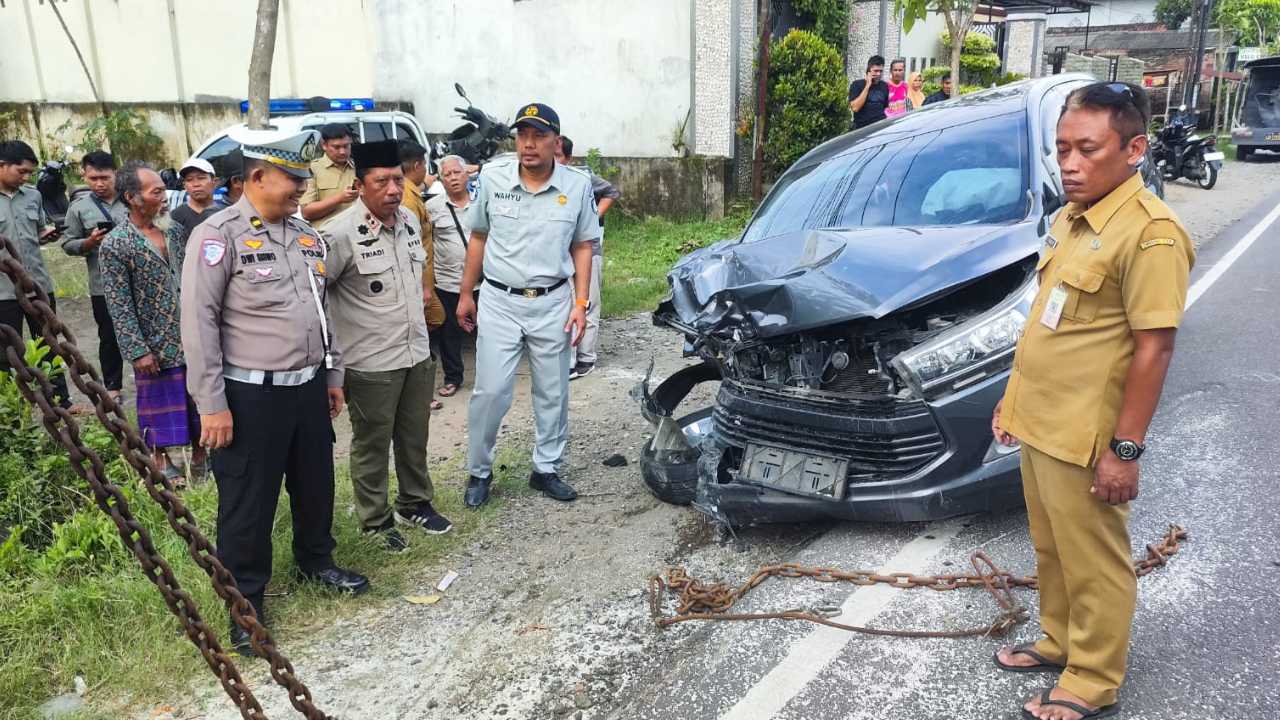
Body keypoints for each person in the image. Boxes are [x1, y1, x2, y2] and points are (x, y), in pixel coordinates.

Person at [991, 82, 1194, 720]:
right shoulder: (1070, 219)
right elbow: (1049, 326)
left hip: (1086, 434)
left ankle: (1093, 677)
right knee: (1051, 548)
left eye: (1087, 149)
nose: (1070, 165)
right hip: (1039, 420)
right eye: (1061, 150)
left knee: (1095, 559)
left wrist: (1125, 451)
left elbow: (1153, 349)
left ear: (1134, 148)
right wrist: (1010, 400)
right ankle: (1060, 640)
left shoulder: (1151, 234)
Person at [180, 127, 369, 657]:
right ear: (258, 177)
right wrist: (211, 404)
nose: (302, 191)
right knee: (247, 503)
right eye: (294, 180)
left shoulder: (305, 236)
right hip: (248, 396)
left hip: (307, 389)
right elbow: (199, 324)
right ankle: (246, 605)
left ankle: (316, 561)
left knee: (315, 485)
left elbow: (323, 312)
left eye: (306, 181)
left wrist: (333, 377)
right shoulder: (218, 236)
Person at [459, 103, 601, 508]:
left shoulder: (576, 186)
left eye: (539, 136)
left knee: (553, 391)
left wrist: (580, 302)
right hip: (501, 301)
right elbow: (479, 238)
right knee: (490, 391)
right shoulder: (493, 177)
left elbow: (582, 245)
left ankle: (546, 468)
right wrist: (467, 293)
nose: (529, 144)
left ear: (556, 142)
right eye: (523, 135)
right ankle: (479, 472)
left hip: (553, 301)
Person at [322, 140, 453, 551]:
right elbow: (316, 296)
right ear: (361, 185)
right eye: (382, 182)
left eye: (397, 179)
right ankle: (375, 521)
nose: (393, 189)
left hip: (415, 351)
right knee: (372, 443)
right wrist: (331, 362)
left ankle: (414, 503)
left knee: (414, 436)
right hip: (370, 360)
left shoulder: (410, 222)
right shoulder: (338, 234)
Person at [100, 162, 206, 486]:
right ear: (133, 197)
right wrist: (137, 349)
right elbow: (118, 304)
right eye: (156, 191)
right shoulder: (116, 244)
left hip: (188, 333)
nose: (164, 196)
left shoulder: (174, 231)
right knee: (157, 402)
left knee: (198, 395)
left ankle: (202, 456)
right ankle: (159, 459)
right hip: (153, 340)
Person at [0, 140, 79, 412]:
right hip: (3, 292)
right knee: (6, 351)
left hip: (38, 286)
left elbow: (37, 233)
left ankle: (61, 402)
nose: (26, 177)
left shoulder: (32, 196)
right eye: (21, 171)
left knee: (49, 344)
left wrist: (48, 235)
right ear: (2, 166)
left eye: (29, 173)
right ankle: (11, 410)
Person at [61, 150, 128, 400]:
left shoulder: (133, 199)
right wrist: (88, 243)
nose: (99, 184)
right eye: (93, 178)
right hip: (103, 285)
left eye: (104, 177)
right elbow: (68, 244)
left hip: (139, 282)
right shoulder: (79, 208)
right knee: (109, 337)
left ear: (116, 175)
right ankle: (113, 388)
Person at [555, 135, 620, 380]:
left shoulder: (580, 180)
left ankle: (586, 358)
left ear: (569, 159)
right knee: (566, 304)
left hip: (588, 253)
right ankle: (568, 360)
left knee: (588, 304)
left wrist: (593, 216)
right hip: (560, 256)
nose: (554, 161)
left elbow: (612, 192)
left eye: (559, 156)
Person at [425, 155, 475, 399]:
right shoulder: (432, 208)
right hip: (447, 281)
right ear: (441, 179)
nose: (453, 178)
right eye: (447, 174)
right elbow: (427, 245)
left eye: (457, 172)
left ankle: (490, 377)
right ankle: (453, 377)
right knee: (449, 333)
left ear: (467, 174)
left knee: (489, 331)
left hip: (483, 281)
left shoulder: (483, 202)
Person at [397, 140, 447, 340]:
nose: (425, 170)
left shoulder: (409, 191)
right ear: (417, 165)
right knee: (435, 317)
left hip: (422, 276)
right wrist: (423, 286)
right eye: (424, 165)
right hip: (418, 277)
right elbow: (411, 245)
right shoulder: (407, 199)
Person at [300, 123, 358, 229]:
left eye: (346, 146)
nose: (342, 152)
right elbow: (307, 212)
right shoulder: (312, 169)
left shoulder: (359, 168)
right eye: (336, 147)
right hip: (327, 236)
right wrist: (339, 198)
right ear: (324, 145)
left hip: (359, 235)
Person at [169, 158, 219, 242]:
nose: (196, 184)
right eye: (189, 180)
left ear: (215, 182)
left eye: (201, 178)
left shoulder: (225, 214)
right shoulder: (175, 217)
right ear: (184, 185)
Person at [848, 55, 890, 129]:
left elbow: (885, 108)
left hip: (880, 128)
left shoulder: (884, 86)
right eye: (876, 71)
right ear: (868, 71)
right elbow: (855, 108)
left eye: (881, 71)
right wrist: (867, 86)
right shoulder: (857, 85)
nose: (879, 74)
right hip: (862, 129)